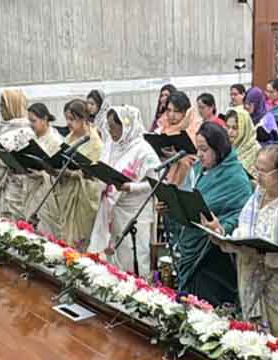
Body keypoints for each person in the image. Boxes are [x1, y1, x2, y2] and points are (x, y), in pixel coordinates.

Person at [201, 146, 278, 337]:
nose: (257, 177)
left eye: (263, 171)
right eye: (257, 169)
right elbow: (243, 233)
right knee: (252, 342)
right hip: (251, 278)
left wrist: (261, 254)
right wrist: (220, 232)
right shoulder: (256, 198)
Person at [165, 123, 253, 305]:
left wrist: (221, 228)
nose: (199, 155)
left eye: (204, 149)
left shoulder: (236, 178)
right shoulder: (198, 169)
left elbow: (243, 217)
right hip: (191, 245)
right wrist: (171, 208)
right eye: (197, 149)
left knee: (206, 311)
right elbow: (187, 201)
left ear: (219, 149)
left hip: (213, 257)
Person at [88, 106, 159, 277]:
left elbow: (155, 182)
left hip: (135, 212)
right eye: (109, 126)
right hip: (113, 207)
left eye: (113, 126)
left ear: (126, 126)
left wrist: (131, 187)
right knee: (113, 255)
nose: (110, 131)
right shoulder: (112, 145)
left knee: (133, 254)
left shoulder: (143, 150)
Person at [54, 99, 104, 249]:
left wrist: (75, 174)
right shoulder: (70, 137)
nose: (68, 123)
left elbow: (96, 178)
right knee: (65, 239)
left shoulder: (94, 142)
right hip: (67, 192)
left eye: (72, 119)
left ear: (83, 118)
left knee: (79, 241)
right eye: (67, 119)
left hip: (83, 198)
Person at [0, 89, 36, 220]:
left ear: (12, 106)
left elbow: (24, 165)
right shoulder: (3, 127)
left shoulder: (25, 132)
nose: (0, 109)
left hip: (14, 191)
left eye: (3, 106)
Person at [24, 103, 64, 236]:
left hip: (48, 194)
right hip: (33, 188)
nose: (31, 124)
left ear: (45, 119)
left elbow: (58, 172)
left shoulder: (55, 140)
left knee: (46, 233)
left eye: (33, 121)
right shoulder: (33, 137)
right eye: (29, 120)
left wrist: (42, 173)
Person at [158, 91, 203, 187]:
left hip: (189, 180)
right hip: (166, 174)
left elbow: (198, 160)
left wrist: (178, 157)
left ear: (186, 112)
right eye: (169, 110)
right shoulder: (164, 126)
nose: (171, 115)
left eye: (176, 111)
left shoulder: (196, 128)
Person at [225, 108, 261, 178]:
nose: (229, 132)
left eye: (235, 128)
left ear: (244, 129)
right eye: (228, 127)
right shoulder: (226, 148)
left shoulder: (256, 150)